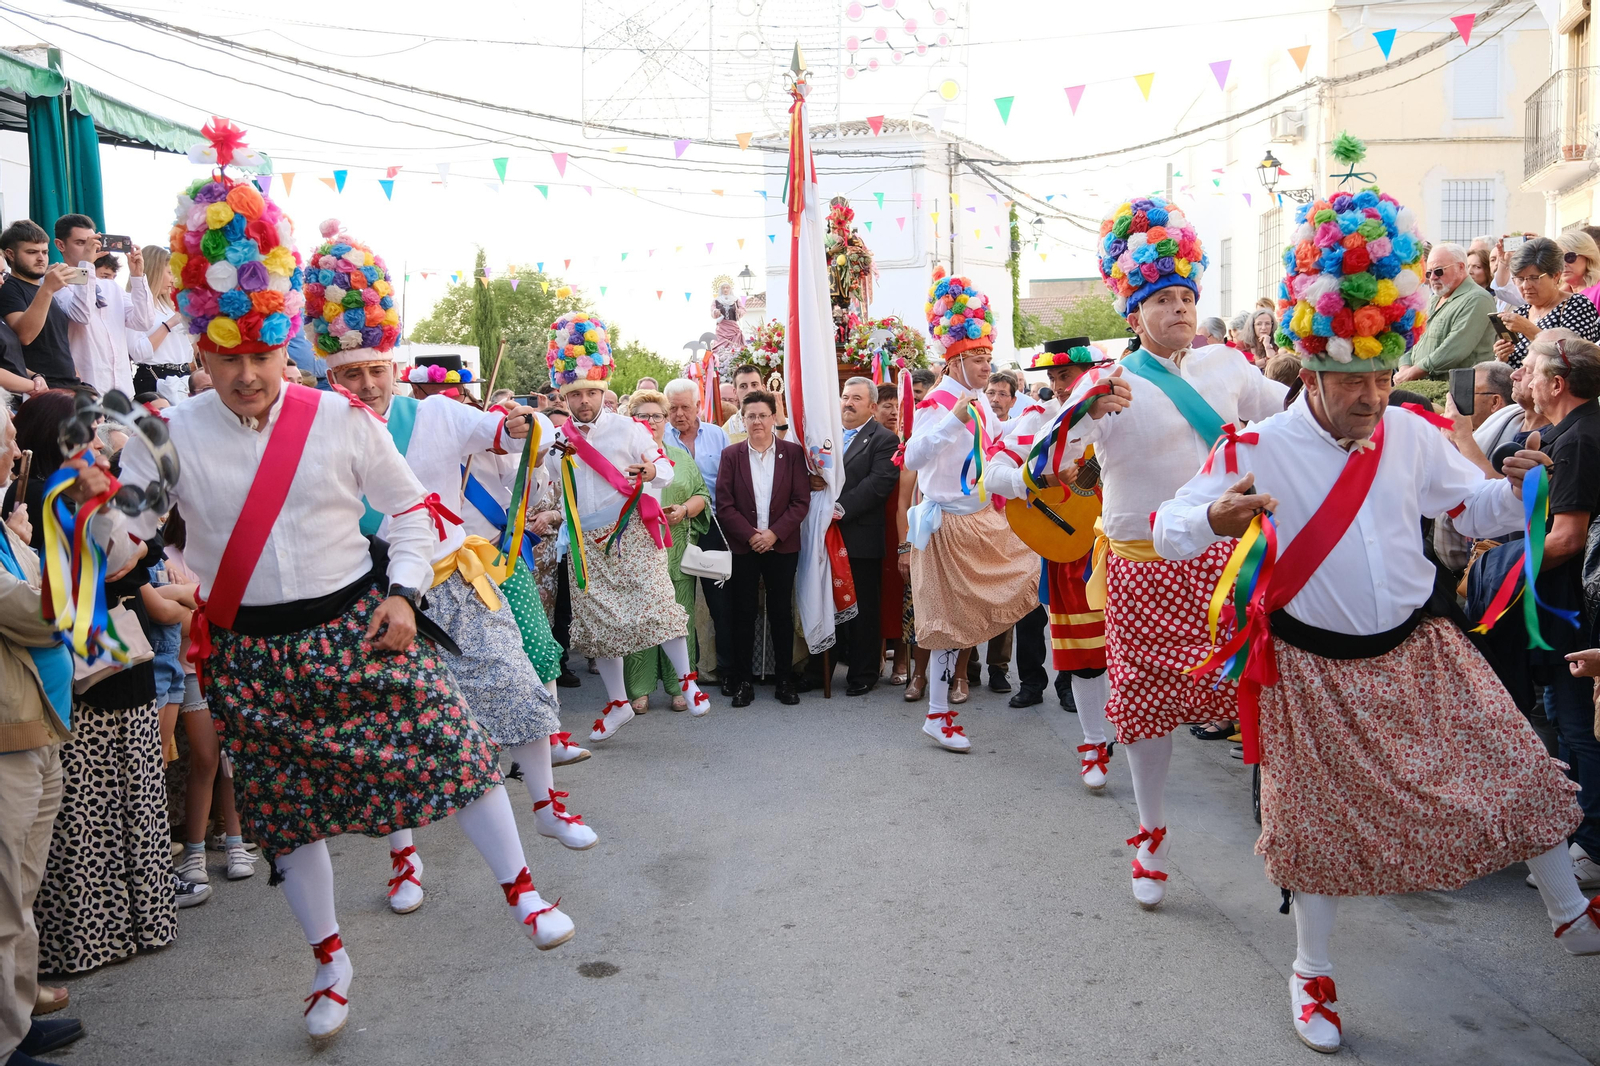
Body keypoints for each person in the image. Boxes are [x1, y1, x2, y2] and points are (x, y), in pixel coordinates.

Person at [119, 152, 576, 1041]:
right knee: (290, 819)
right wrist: (149, 583)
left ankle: (522, 892)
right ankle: (331, 963)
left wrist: (404, 596)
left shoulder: (336, 418)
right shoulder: (165, 436)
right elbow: (118, 528)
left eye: (262, 353)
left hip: (358, 626)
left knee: (456, 752)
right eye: (228, 358)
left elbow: (410, 512)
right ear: (201, 349)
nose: (248, 374)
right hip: (250, 653)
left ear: (282, 339)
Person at [1154, 272, 1597, 1052]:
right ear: (1315, 375)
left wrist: (1525, 488)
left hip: (1420, 649)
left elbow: (1473, 506)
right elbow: (1169, 525)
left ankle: (1570, 913)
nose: (1371, 393)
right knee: (1315, 832)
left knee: (1516, 765)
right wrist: (1213, 517)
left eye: (1382, 377)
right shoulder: (1255, 445)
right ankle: (1312, 974)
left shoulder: (1414, 433)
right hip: (1310, 667)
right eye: (1354, 379)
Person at [319, 223, 589, 921]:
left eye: (376, 369)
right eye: (351, 372)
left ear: (394, 366)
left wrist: (527, 424)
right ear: (330, 374)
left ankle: (548, 806)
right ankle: (404, 862)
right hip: (372, 598)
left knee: (520, 688)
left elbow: (505, 435)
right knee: (390, 735)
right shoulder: (317, 429)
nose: (367, 383)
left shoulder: (436, 413)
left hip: (455, 582)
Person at [1059, 194, 1286, 906]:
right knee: (1146, 707)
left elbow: (1291, 421)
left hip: (1226, 561)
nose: (1181, 309)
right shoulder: (1107, 384)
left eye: (1188, 295)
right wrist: (1081, 417)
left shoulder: (1228, 365)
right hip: (1141, 565)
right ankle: (1150, 835)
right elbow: (1052, 462)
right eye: (1164, 298)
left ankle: (1287, 831)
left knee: (1261, 691)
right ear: (1134, 313)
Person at [12, 391, 191, 977]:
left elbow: (145, 552)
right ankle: (88, 939)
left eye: (96, 435)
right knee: (86, 817)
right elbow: (115, 562)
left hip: (124, 656)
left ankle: (145, 921)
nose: (95, 445)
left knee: (136, 792)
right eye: (82, 435)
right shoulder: (46, 500)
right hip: (84, 669)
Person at [1470, 332, 1600, 891]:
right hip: (1561, 607)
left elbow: (1567, 538)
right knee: (1564, 719)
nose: (1520, 376)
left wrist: (1500, 567)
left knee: (1576, 725)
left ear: (1557, 382)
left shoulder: (1582, 439)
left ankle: (1592, 845)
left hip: (1572, 609)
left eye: (1531, 368)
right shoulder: (1563, 430)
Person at [546, 312, 709, 743]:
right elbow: (551, 487)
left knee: (658, 606)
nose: (584, 401)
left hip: (632, 532)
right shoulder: (558, 439)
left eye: (591, 393)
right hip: (585, 543)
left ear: (603, 391)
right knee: (601, 627)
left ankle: (687, 683)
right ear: (566, 394)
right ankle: (618, 703)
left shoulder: (629, 428)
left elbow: (666, 470)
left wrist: (649, 472)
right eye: (576, 394)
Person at [901, 268, 1040, 751]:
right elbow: (913, 456)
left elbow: (996, 445)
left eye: (988, 356)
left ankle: (942, 709)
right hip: (945, 525)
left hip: (980, 520)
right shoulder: (939, 400)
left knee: (1029, 571)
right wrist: (949, 421)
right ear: (956, 360)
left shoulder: (980, 400)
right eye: (978, 357)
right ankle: (937, 715)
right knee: (943, 625)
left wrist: (1036, 422)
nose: (987, 365)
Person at [0, 399, 89, 1066]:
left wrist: (32, 546)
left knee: (21, 892)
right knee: (4, 899)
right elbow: (43, 612)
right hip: (8, 740)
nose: (13, 450)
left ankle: (18, 1016)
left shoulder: (6, 524)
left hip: (38, 731)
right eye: (6, 439)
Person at [1011, 339, 1117, 790]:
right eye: (1052, 379)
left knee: (1130, 653)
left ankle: (1129, 731)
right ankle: (1093, 742)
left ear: (1090, 376)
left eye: (1065, 377)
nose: (1057, 387)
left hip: (1129, 545)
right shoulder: (1037, 422)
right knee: (1086, 656)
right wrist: (1043, 477)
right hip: (1074, 552)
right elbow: (995, 475)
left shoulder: (1120, 416)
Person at [716, 390, 811, 706]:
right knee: (743, 613)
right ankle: (744, 681)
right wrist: (750, 535)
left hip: (782, 546)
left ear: (773, 418)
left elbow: (800, 501)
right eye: (750, 415)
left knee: (782, 612)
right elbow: (725, 505)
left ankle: (784, 680)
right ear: (742, 420)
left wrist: (774, 534)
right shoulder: (731, 456)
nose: (757, 421)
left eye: (762, 415)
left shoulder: (793, 454)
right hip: (744, 548)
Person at [623, 390, 710, 710]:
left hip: (675, 550)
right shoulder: (620, 459)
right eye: (642, 416)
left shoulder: (680, 457)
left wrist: (684, 510)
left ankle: (679, 686)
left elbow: (702, 495)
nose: (650, 422)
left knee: (679, 618)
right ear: (631, 422)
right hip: (635, 551)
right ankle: (639, 688)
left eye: (657, 416)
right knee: (639, 617)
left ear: (666, 421)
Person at [661, 378, 733, 687]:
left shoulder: (717, 435)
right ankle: (681, 673)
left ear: (698, 406)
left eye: (685, 408)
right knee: (678, 603)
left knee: (720, 603)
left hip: (713, 528)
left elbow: (731, 480)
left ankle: (728, 670)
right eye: (673, 408)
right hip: (674, 531)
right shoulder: (659, 438)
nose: (679, 414)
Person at [831, 376, 899, 696]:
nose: (848, 403)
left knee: (863, 609)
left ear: (871, 406)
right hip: (825, 536)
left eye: (856, 398)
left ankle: (864, 673)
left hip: (859, 536)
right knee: (828, 605)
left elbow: (879, 483)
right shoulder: (828, 436)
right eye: (845, 396)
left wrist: (840, 508)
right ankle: (826, 668)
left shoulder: (883, 439)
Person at [51, 215, 153, 398]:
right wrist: (87, 265)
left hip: (122, 390)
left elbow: (143, 322)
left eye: (92, 242)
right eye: (81, 242)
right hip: (85, 391)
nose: (89, 248)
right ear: (60, 245)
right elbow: (81, 315)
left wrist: (137, 277)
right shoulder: (55, 281)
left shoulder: (110, 285)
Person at [1393, 242, 1497, 382]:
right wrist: (1405, 367)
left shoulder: (1478, 299)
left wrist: (1411, 373)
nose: (1433, 277)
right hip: (1421, 385)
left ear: (1461, 267)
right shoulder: (1434, 299)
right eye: (1429, 273)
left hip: (1456, 391)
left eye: (1439, 271)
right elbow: (1415, 337)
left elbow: (1453, 350)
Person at [1495, 237, 1600, 368]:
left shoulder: (1576, 305)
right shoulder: (1520, 312)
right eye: (1520, 279)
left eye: (1534, 278)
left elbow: (1575, 360)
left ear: (1556, 275)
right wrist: (1502, 357)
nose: (1526, 286)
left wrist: (1529, 329)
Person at [0, 222, 79, 391]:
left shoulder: (45, 289)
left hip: (68, 384)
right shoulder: (8, 287)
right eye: (31, 252)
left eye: (45, 252)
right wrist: (47, 289)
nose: (41, 258)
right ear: (10, 255)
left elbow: (57, 342)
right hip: (42, 390)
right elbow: (25, 336)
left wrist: (76, 377)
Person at [126, 245, 192, 405]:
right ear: (154, 271)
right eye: (169, 273)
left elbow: (188, 348)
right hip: (154, 379)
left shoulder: (168, 306)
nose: (172, 279)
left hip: (183, 380)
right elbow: (138, 352)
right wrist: (169, 325)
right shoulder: (130, 301)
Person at [1557, 228, 1600, 309]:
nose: (1564, 264)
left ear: (1588, 256)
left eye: (1569, 257)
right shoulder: (1558, 295)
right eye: (1559, 258)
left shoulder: (1598, 292)